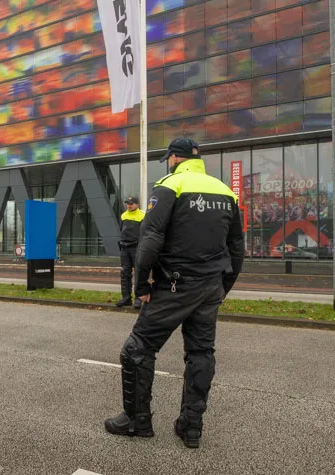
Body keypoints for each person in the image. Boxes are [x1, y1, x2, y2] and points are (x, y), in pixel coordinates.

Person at [104, 138, 245, 449]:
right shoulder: (225, 191)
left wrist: (141, 286)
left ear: (174, 158)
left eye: (168, 159)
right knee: (201, 353)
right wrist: (223, 289)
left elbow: (150, 240)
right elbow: (237, 249)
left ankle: (137, 422)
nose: (168, 163)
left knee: (137, 348)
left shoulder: (170, 185)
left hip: (174, 285)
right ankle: (191, 426)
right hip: (210, 286)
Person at [116, 196, 145, 308]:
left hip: (136, 248)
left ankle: (139, 299)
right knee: (125, 273)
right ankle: (126, 298)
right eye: (128, 203)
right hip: (125, 248)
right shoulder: (123, 215)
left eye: (131, 203)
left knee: (139, 273)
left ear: (137, 204)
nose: (129, 205)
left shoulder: (143, 216)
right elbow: (121, 229)